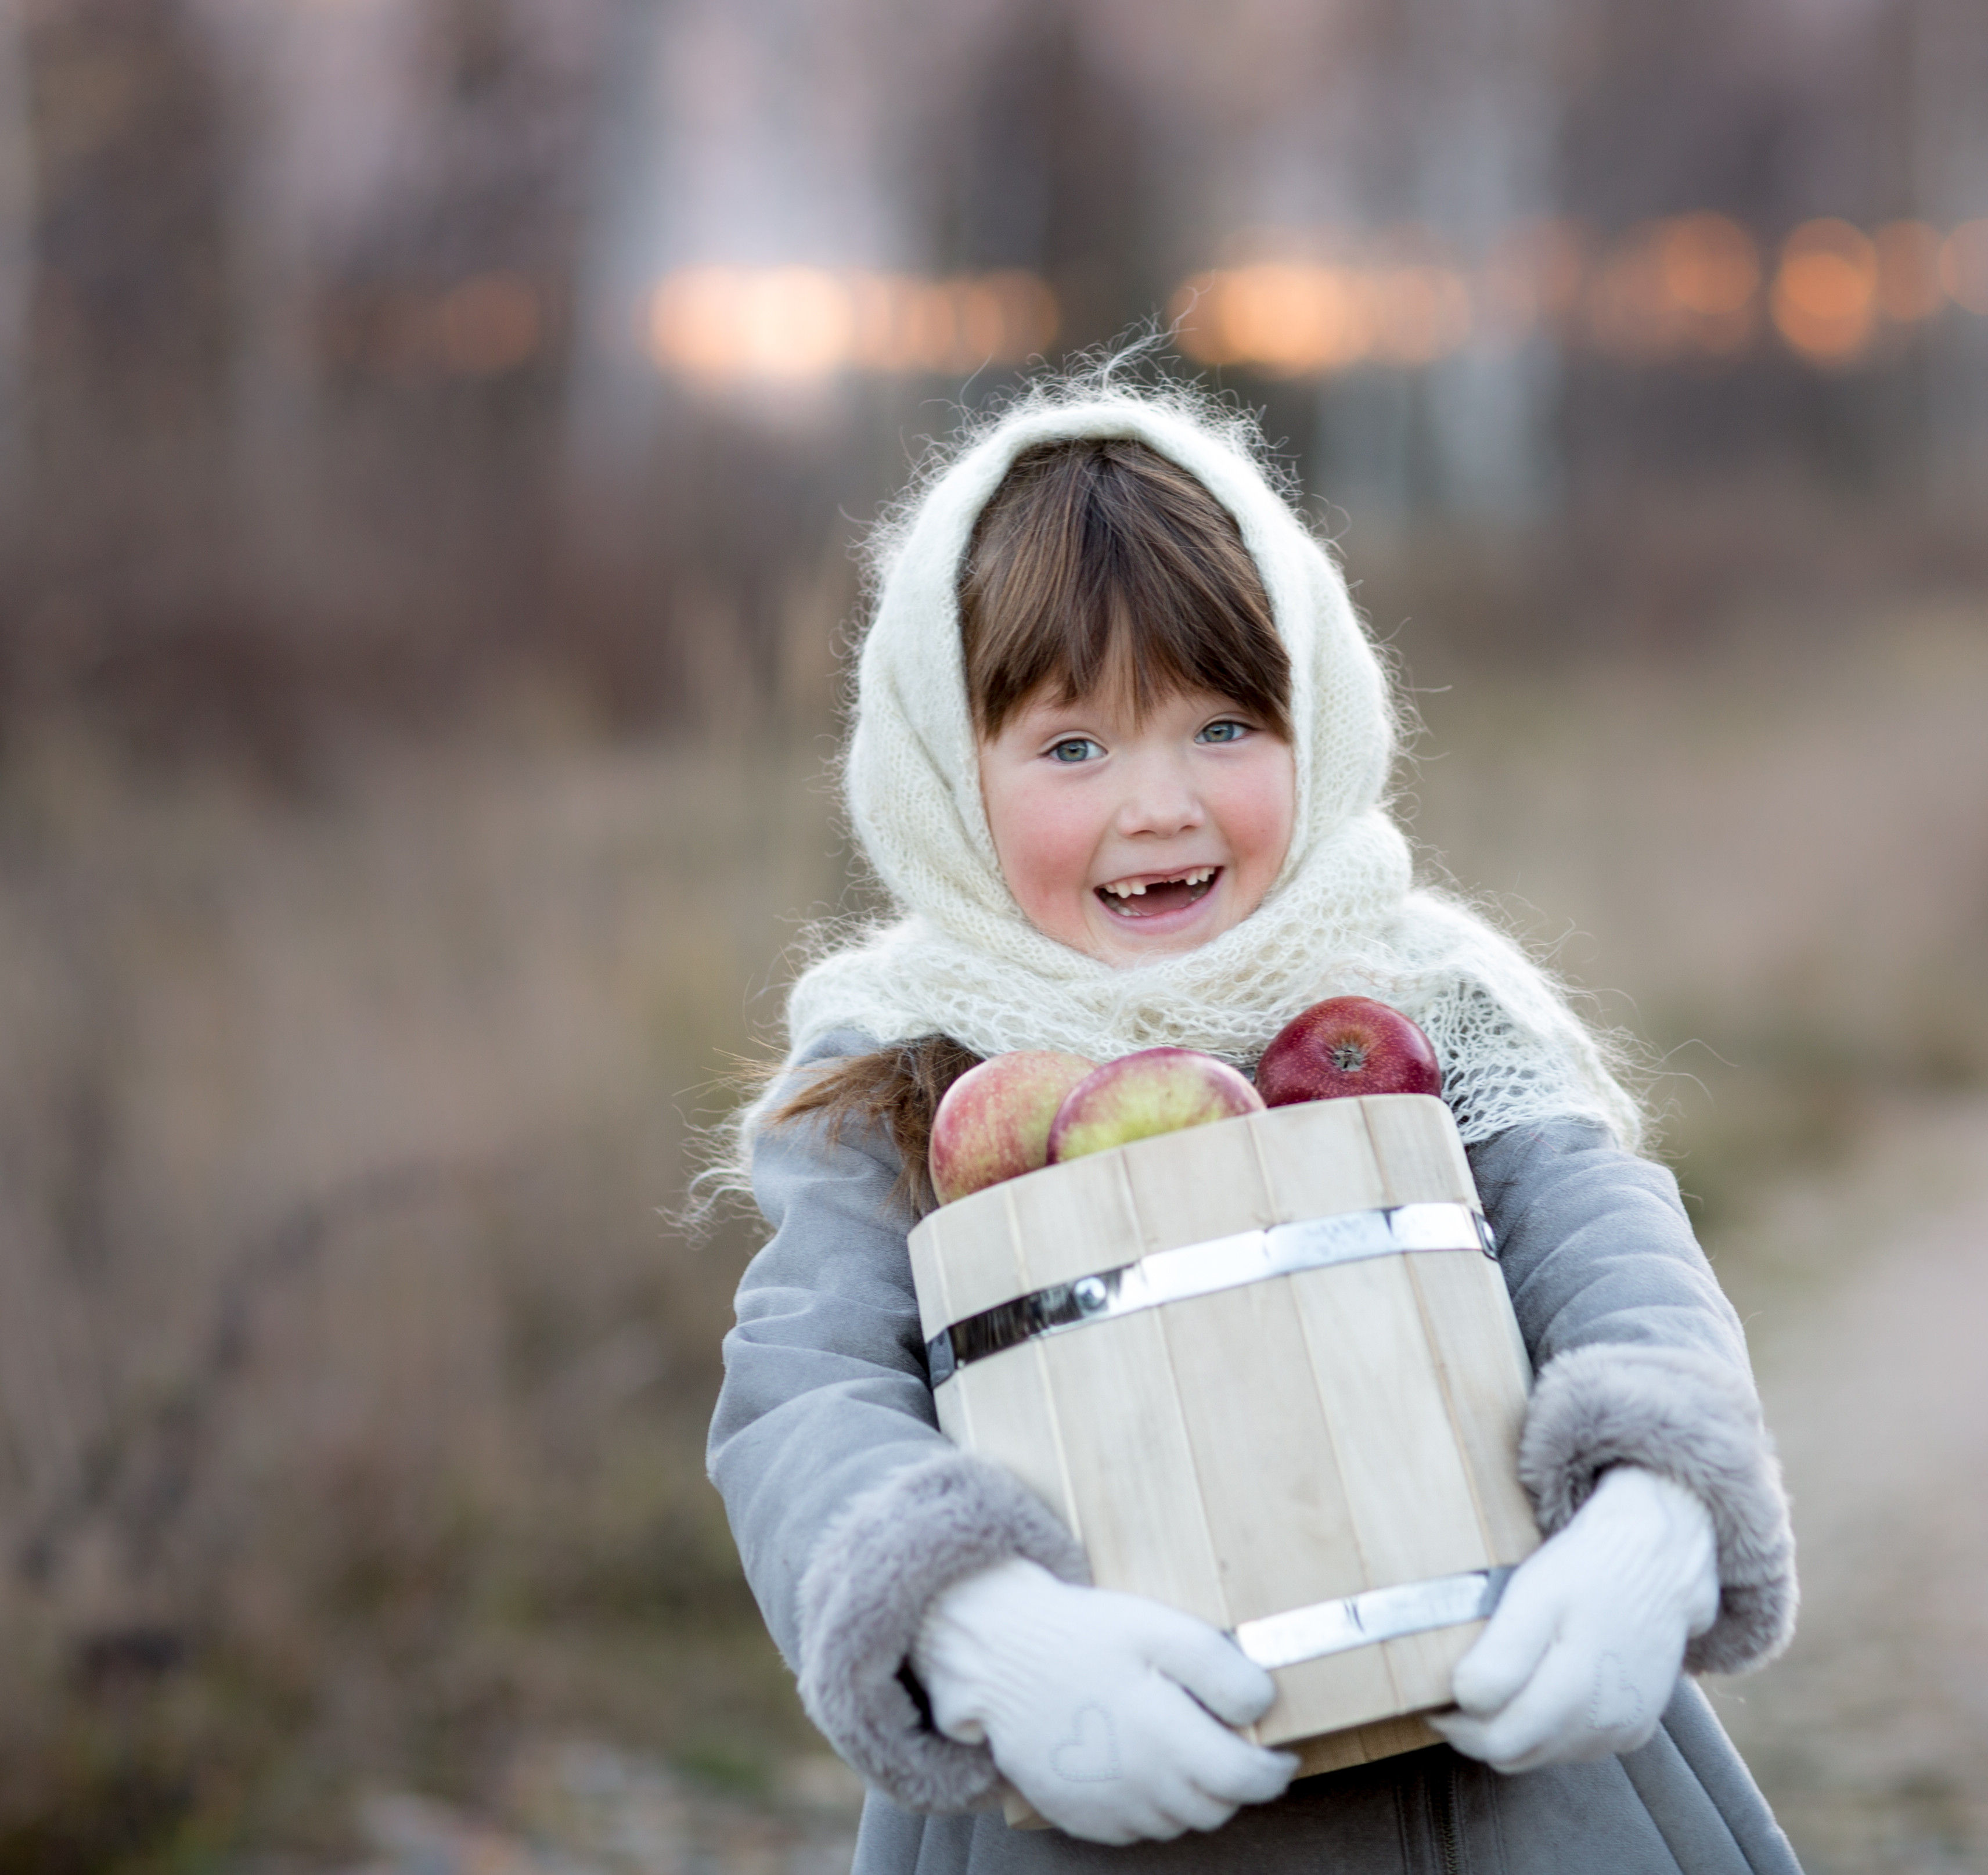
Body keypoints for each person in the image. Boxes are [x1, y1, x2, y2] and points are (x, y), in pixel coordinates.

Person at [707, 372, 1803, 1874]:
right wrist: (981, 1633)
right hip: (1094, 1781)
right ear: (948, 776)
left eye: (1225, 725)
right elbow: (803, 1390)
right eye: (1072, 746)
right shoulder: (904, 1071)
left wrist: (1654, 1516)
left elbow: (1609, 1255)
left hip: (1495, 1787)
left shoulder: (1414, 1007)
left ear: (1321, 713)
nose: (1159, 805)